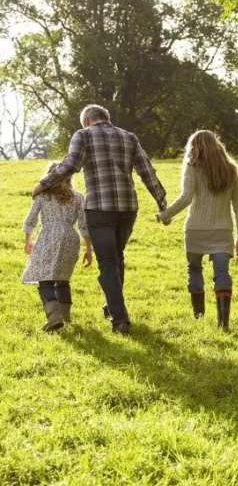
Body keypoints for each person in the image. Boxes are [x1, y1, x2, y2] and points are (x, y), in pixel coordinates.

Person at [32, 104, 167, 335]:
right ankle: (111, 307)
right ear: (107, 119)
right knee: (116, 258)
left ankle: (119, 320)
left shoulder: (83, 135)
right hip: (127, 208)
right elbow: (147, 171)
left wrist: (44, 183)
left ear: (86, 121)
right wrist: (162, 203)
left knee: (108, 262)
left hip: (100, 209)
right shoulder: (129, 137)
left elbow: (71, 165)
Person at [156, 130, 238, 332]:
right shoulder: (231, 169)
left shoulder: (192, 168)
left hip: (196, 228)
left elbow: (186, 197)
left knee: (194, 269)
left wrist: (165, 214)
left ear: (194, 146)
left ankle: (199, 317)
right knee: (222, 272)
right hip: (222, 231)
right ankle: (223, 323)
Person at [23, 162, 93, 332]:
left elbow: (31, 219)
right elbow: (84, 225)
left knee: (45, 279)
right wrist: (88, 249)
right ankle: (65, 317)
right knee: (62, 278)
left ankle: (54, 317)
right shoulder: (78, 197)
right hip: (71, 238)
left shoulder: (43, 196)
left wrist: (28, 240)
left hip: (49, 237)